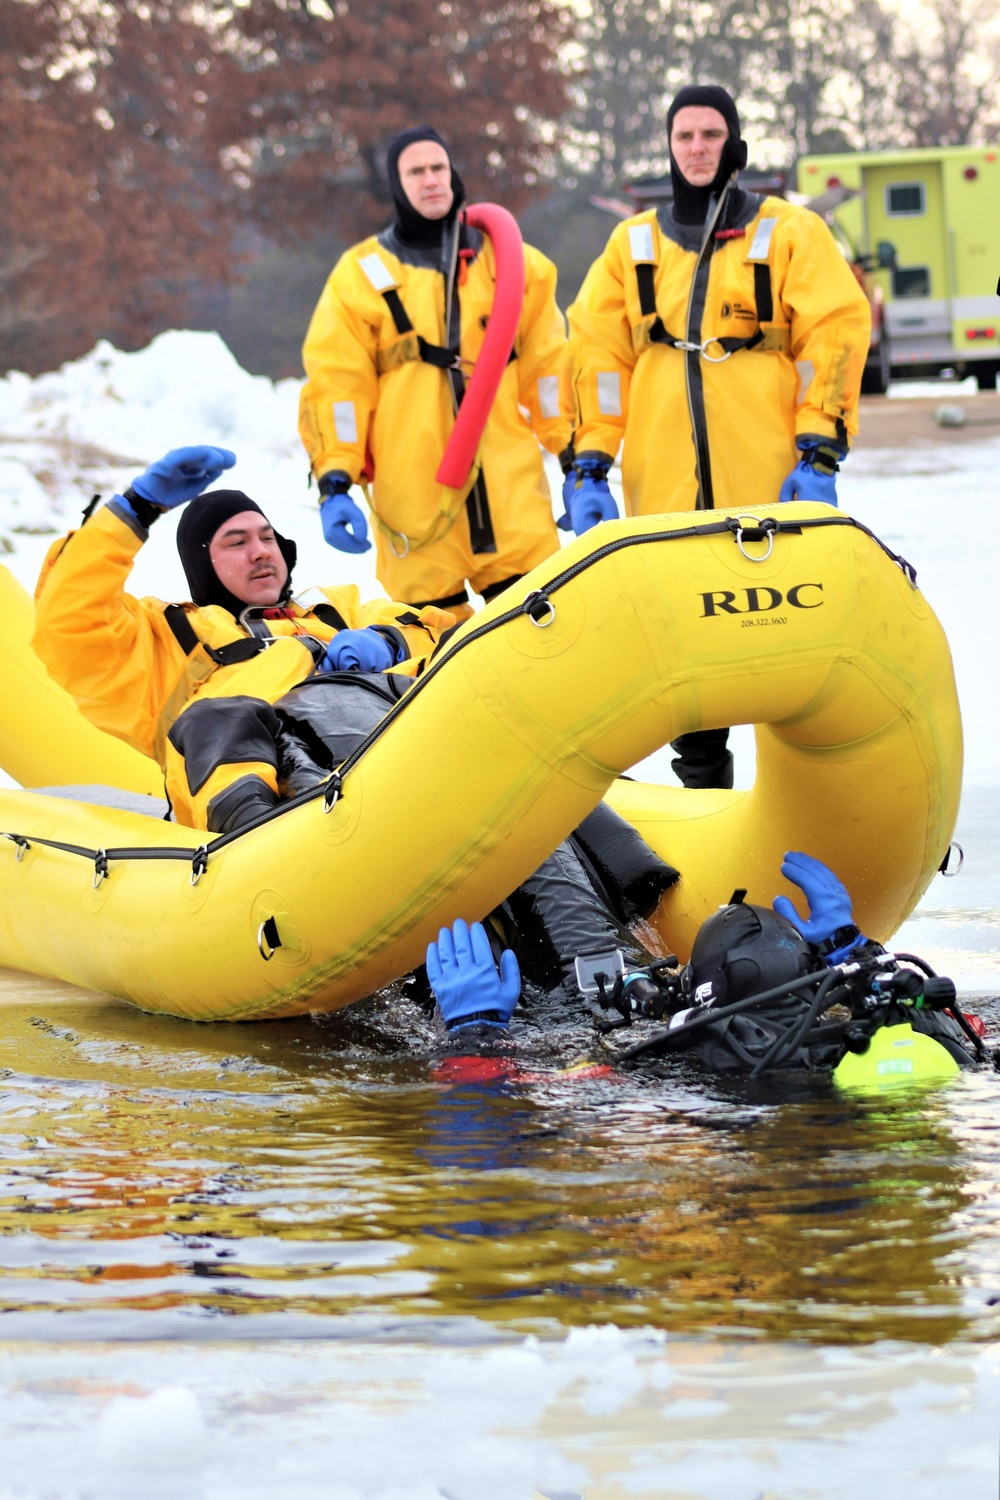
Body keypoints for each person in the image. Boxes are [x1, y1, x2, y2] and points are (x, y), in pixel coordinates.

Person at [563, 84, 872, 789]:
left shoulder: (790, 231)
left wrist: (820, 451)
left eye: (709, 134)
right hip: (663, 486)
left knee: (785, 650)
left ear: (733, 143)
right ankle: (710, 808)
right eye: (684, 136)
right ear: (668, 147)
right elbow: (598, 357)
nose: (697, 148)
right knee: (689, 663)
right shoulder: (632, 245)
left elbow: (836, 333)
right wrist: (588, 466)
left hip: (767, 483)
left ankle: (805, 808)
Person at [32, 446, 456, 833]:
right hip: (273, 779)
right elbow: (69, 618)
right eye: (237, 543)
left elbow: (442, 632)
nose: (261, 552)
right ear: (203, 564)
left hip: (394, 748)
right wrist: (136, 509)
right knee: (213, 716)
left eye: (267, 538)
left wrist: (390, 642)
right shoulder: (168, 638)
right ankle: (262, 840)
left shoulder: (338, 609)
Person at [298, 126, 573, 617]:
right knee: (435, 652)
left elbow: (551, 368)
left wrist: (577, 460)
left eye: (437, 168)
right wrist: (334, 481)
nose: (430, 180)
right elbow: (337, 385)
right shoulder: (359, 275)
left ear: (453, 174)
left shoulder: (511, 265)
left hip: (510, 494)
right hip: (414, 500)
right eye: (415, 171)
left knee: (543, 636)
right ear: (396, 185)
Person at [427, 852, 982, 1077]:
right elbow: (972, 1036)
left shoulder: (693, 1060)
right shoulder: (879, 1033)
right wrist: (855, 950)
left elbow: (509, 1121)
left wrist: (474, 1036)